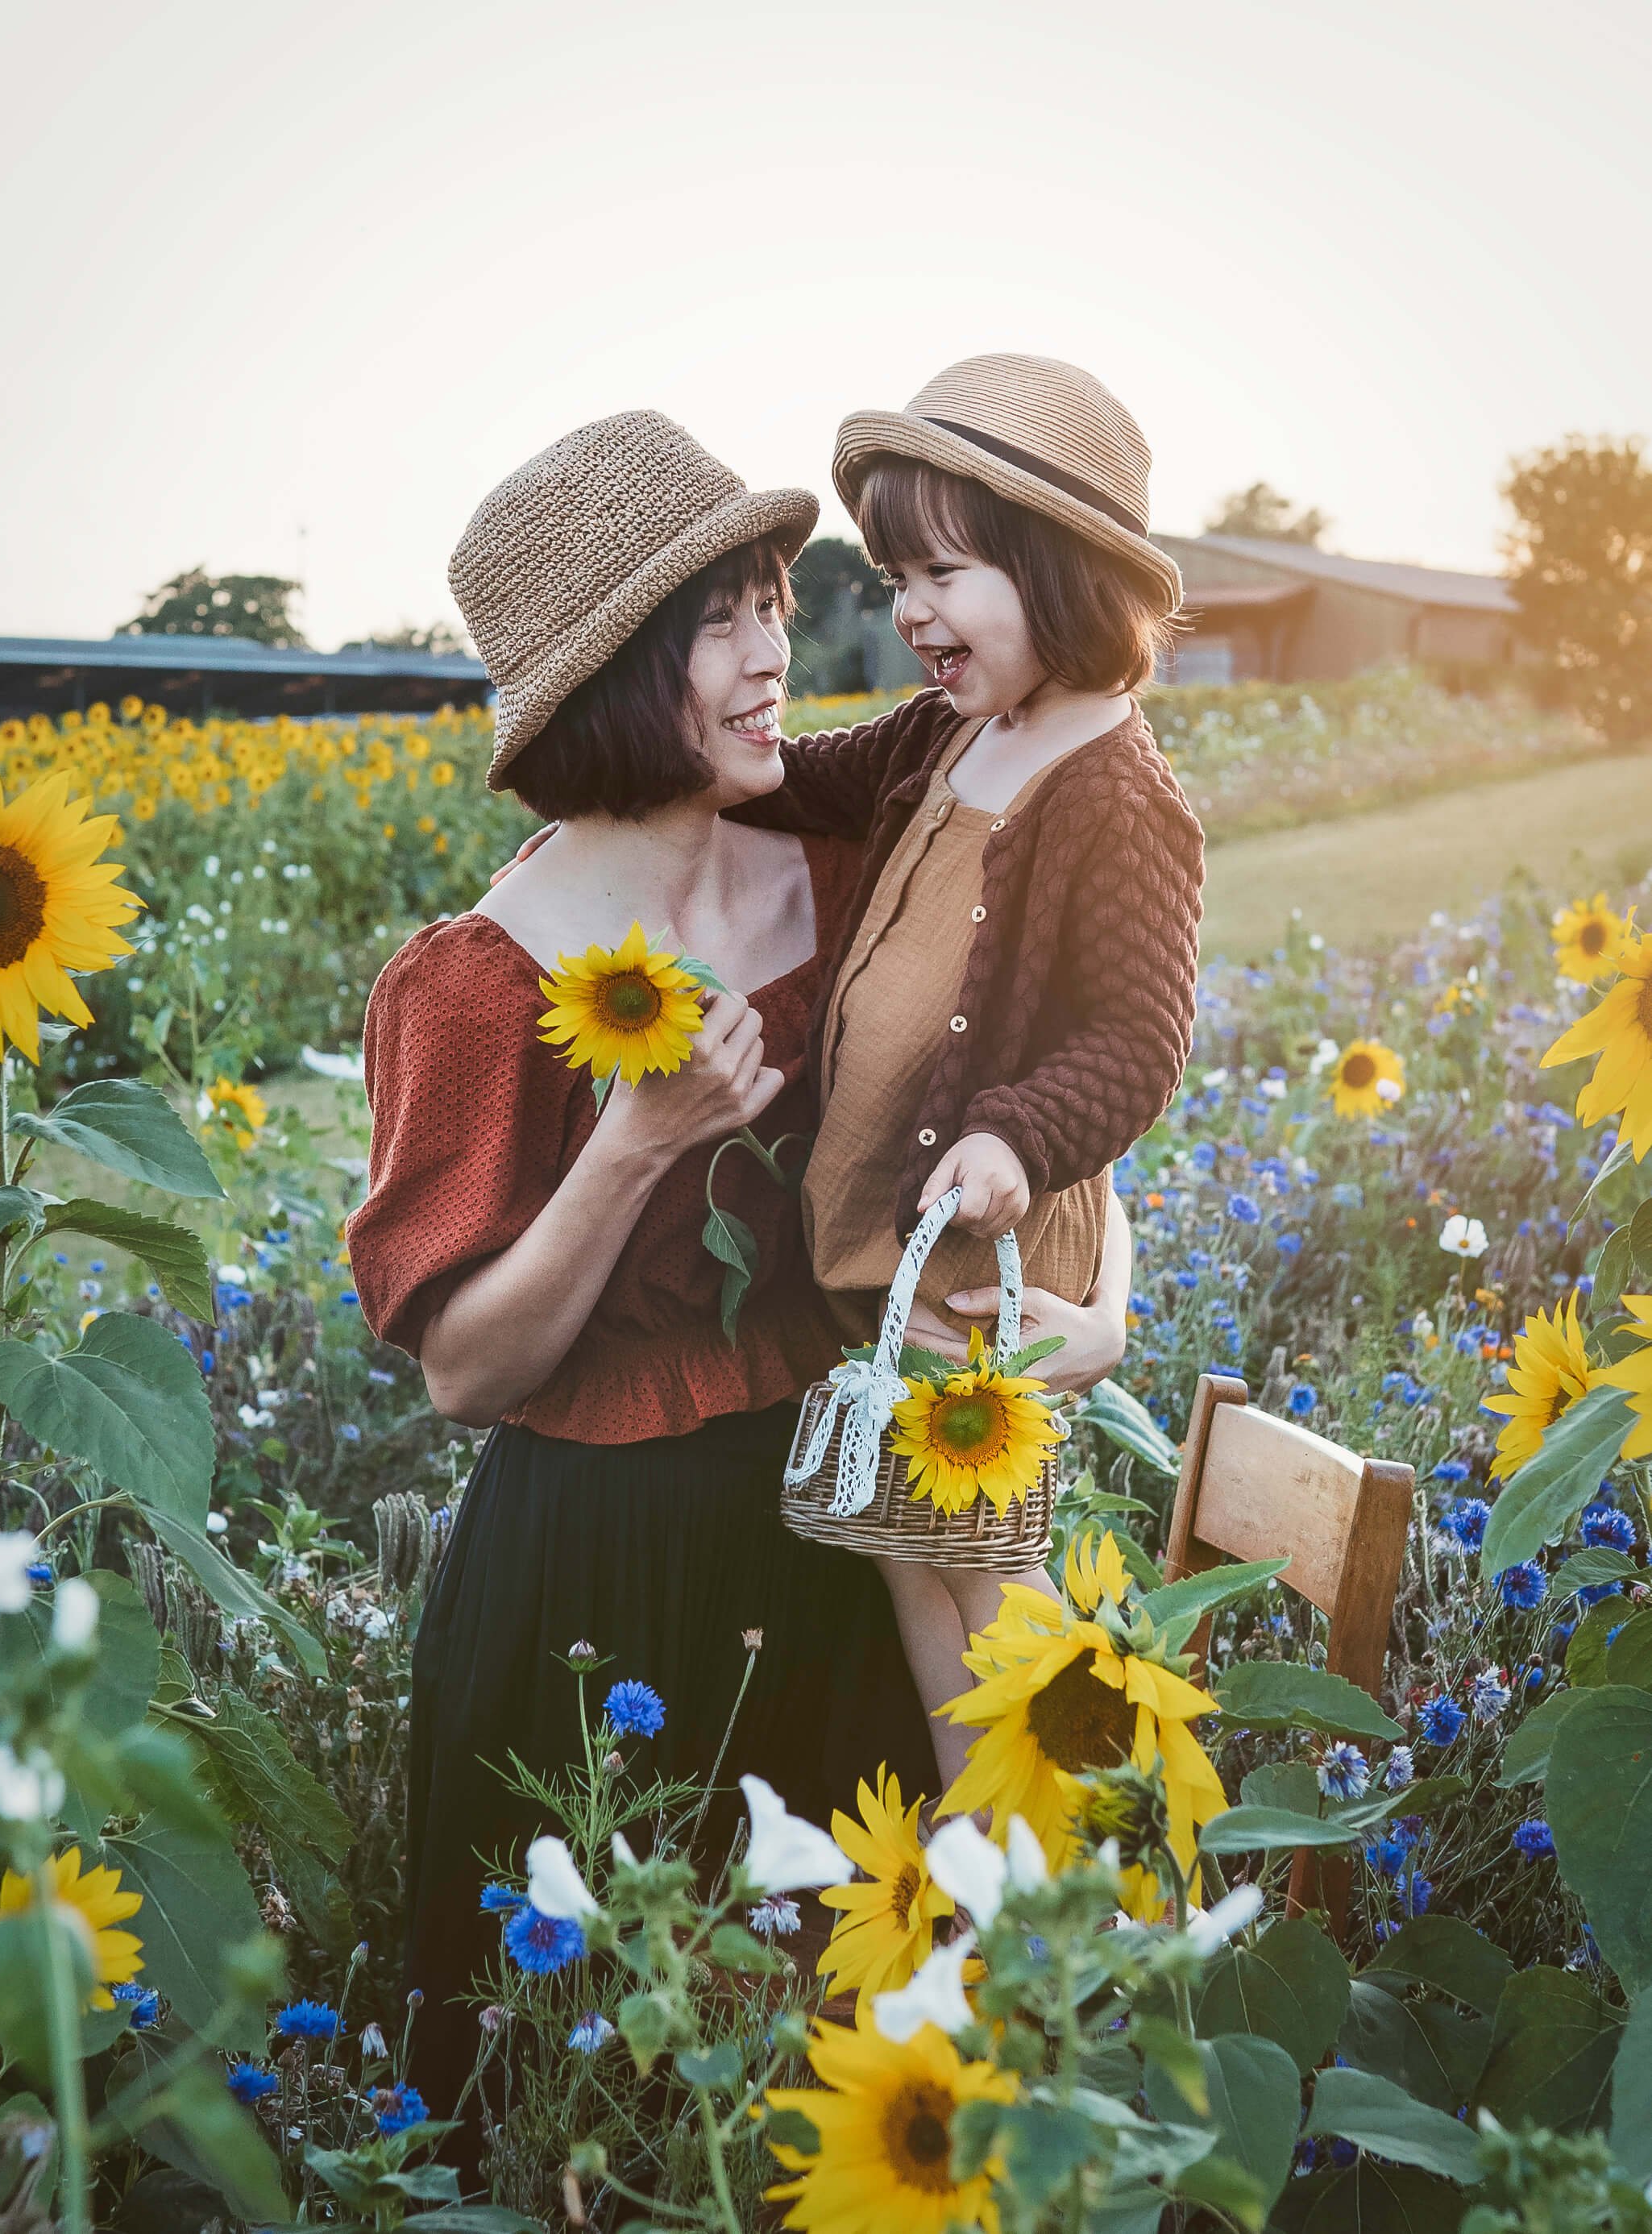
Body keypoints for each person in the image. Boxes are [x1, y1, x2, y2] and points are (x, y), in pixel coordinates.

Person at [344, 409, 945, 2112]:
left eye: (777, 602)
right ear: (615, 671)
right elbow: (468, 1372)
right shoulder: (471, 983)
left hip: (844, 1557)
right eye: (727, 621)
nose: (783, 654)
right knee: (585, 2103)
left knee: (833, 2087)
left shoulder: (847, 876)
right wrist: (636, 1143)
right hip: (593, 1603)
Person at [739, 354, 1204, 1783]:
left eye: (941, 571)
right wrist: (692, 744)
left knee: (987, 1582)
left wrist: (1010, 1132)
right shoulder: (951, 737)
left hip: (978, 1274)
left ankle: (1078, 1835)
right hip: (889, 1265)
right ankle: (978, 1833)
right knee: (910, 1566)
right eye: (894, 577)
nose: (909, 611)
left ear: (1063, 575)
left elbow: (1135, 1040)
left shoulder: (1116, 794)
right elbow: (795, 780)